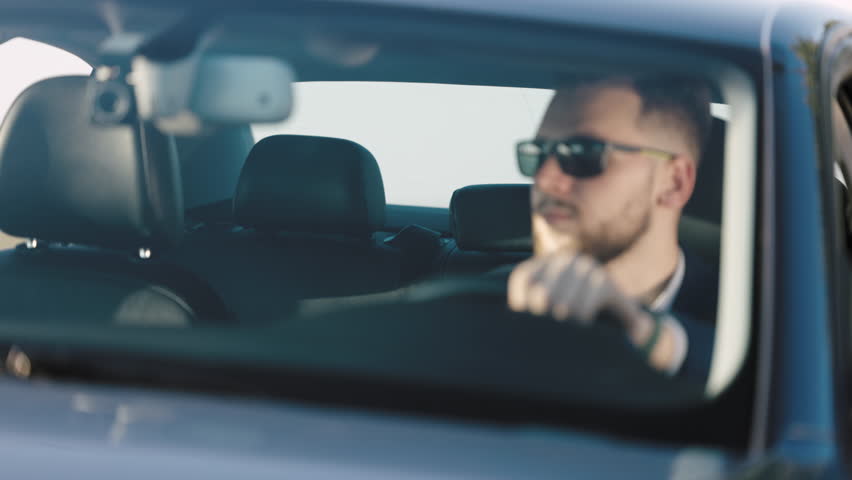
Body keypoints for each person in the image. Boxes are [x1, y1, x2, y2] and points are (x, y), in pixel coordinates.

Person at [507, 74, 718, 383]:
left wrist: (649, 338)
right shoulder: (490, 303)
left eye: (583, 153)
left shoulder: (760, 318)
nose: (544, 180)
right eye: (537, 154)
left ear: (674, 182)